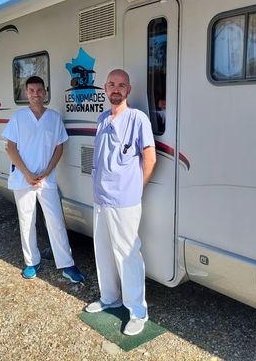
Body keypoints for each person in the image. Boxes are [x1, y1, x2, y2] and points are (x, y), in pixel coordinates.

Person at [85, 69, 156, 336]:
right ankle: (109, 297)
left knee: (128, 255)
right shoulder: (102, 118)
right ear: (105, 88)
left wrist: (136, 190)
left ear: (129, 89)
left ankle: (138, 311)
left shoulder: (138, 119)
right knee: (102, 251)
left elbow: (150, 159)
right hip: (101, 198)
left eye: (121, 85)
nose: (116, 89)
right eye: (112, 84)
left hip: (125, 200)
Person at [3, 75, 84, 283]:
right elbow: (10, 148)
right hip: (24, 179)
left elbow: (59, 147)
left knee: (55, 221)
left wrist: (47, 171)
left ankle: (66, 264)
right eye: (31, 90)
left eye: (39, 90)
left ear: (45, 92)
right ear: (26, 93)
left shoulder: (54, 118)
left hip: (46, 180)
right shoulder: (18, 117)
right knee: (27, 221)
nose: (35, 94)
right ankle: (31, 262)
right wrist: (28, 174)